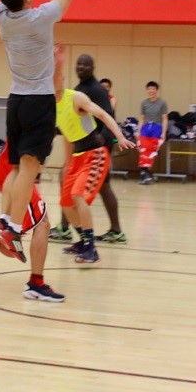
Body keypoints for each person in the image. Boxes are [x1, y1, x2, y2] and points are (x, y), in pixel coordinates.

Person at [0, 0, 72, 263]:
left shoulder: (1, 16)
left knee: (15, 167)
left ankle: (4, 219)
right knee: (28, 167)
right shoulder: (40, 18)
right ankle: (10, 224)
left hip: (15, 100)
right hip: (38, 101)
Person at [51, 48, 134, 264]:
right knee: (66, 202)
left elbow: (104, 114)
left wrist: (119, 136)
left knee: (79, 196)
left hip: (95, 154)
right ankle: (82, 240)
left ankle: (91, 248)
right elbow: (67, 136)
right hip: (78, 156)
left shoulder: (76, 96)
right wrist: (67, 163)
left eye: (56, 76)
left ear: (62, 79)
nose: (52, 80)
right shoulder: (52, 106)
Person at [0, 139, 64, 302]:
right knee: (42, 224)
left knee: (22, 228)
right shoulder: (37, 125)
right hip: (18, 174)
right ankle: (35, 284)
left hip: (12, 170)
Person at [70, 53, 128, 244]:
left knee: (102, 185)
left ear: (92, 68)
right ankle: (65, 227)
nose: (81, 67)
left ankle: (116, 231)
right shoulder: (79, 89)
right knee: (72, 183)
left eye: (85, 65)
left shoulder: (96, 90)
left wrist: (102, 140)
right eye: (79, 64)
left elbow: (107, 116)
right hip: (85, 146)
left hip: (98, 146)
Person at [136, 81, 169, 185]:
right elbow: (142, 118)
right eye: (149, 89)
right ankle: (145, 173)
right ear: (147, 90)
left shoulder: (162, 103)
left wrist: (163, 132)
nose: (151, 91)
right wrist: (138, 131)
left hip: (157, 127)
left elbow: (164, 118)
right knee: (143, 150)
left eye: (153, 89)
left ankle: (145, 173)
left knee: (151, 151)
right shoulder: (144, 103)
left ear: (157, 90)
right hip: (145, 127)